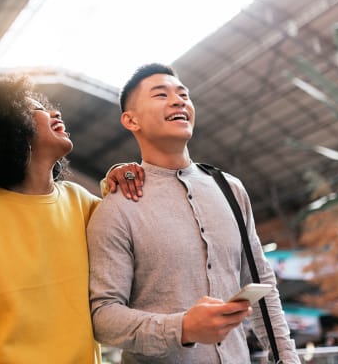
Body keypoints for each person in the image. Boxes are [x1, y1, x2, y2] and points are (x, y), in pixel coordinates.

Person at [86, 63, 300, 363]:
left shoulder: (231, 189)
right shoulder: (117, 208)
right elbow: (103, 316)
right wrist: (182, 328)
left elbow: (261, 280)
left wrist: (287, 358)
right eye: (161, 94)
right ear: (131, 120)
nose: (178, 101)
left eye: (183, 94)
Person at [0, 74, 138, 364]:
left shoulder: (82, 202)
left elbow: (136, 238)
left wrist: (122, 177)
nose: (55, 112)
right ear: (9, 125)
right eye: (36, 107)